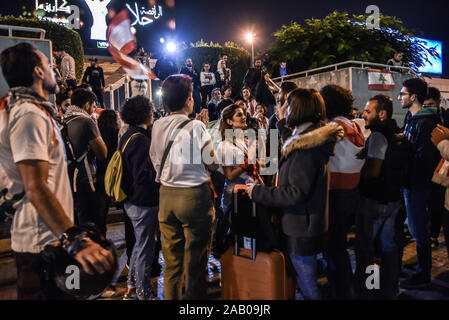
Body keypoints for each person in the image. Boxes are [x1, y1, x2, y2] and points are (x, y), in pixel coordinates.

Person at [0, 42, 113, 299]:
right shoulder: (28, 115)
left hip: (46, 239)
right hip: (43, 245)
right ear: (38, 72)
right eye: (49, 65)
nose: (55, 70)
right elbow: (35, 186)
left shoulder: (18, 109)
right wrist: (74, 238)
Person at [246, 88, 344, 300]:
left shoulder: (306, 149)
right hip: (309, 221)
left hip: (301, 226)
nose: (283, 108)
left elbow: (294, 193)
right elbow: (294, 141)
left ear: (298, 109)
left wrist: (258, 192)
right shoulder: (311, 137)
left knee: (308, 284)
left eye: (288, 104)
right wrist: (282, 123)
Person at [150, 74, 219, 300]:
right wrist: (205, 131)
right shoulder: (197, 126)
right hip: (194, 198)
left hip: (166, 196)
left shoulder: (157, 125)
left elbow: (155, 159)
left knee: (171, 267)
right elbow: (213, 162)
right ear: (189, 98)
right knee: (195, 266)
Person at [319, 85, 366, 299]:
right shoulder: (354, 125)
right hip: (352, 191)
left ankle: (343, 290)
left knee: (334, 248)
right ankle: (348, 287)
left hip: (336, 195)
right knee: (339, 246)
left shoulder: (333, 128)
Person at [355, 94, 404, 299]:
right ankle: (390, 289)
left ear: (381, 114)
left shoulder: (377, 136)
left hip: (375, 201)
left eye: (368, 111)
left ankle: (371, 290)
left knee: (369, 251)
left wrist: (357, 174)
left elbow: (373, 171)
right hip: (393, 199)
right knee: (389, 248)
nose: (363, 115)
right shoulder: (396, 132)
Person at [399, 78, 441, 289]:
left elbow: (424, 159)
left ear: (413, 97)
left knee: (419, 230)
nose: (399, 97)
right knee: (415, 228)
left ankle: (423, 273)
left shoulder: (425, 123)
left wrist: (403, 153)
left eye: (403, 94)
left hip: (417, 184)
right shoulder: (412, 118)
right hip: (409, 182)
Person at [120, 95, 160, 300]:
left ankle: (132, 285)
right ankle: (144, 293)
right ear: (144, 114)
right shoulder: (141, 140)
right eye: (150, 111)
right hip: (143, 201)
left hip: (131, 201)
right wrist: (158, 176)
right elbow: (142, 175)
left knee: (139, 244)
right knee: (146, 249)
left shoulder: (128, 135)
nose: (152, 114)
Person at [63, 88, 108, 232]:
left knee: (79, 222)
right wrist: (96, 127)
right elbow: (102, 153)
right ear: (87, 105)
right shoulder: (86, 122)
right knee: (92, 225)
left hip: (71, 179)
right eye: (94, 106)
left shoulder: (66, 121)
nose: (94, 110)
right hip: (87, 179)